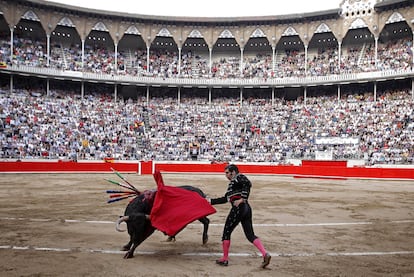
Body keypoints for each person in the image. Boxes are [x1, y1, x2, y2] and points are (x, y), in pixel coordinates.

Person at [208, 164, 271, 268]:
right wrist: (209, 201)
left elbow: (248, 183)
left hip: (239, 208)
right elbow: (224, 199)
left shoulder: (238, 177)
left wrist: (242, 199)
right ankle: (265, 254)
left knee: (226, 232)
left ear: (233, 172)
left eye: (227, 173)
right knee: (250, 235)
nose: (226, 175)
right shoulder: (232, 185)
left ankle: (224, 259)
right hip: (246, 209)